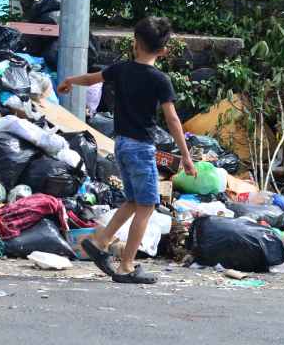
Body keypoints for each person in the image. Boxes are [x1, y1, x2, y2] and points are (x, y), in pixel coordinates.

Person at [57, 16, 197, 284]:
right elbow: (173, 120)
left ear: (135, 43)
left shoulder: (121, 69)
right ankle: (127, 266)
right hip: (141, 148)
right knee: (147, 206)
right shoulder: (160, 80)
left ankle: (100, 241)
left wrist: (70, 80)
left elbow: (91, 79)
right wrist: (187, 157)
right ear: (164, 50)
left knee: (133, 201)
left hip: (120, 144)